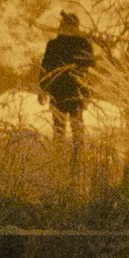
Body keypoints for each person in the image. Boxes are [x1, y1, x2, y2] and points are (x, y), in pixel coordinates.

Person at [37, 9, 101, 157]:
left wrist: (43, 89)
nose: (60, 26)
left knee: (59, 131)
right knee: (77, 131)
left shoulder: (54, 44)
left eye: (62, 23)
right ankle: (77, 163)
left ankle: (58, 162)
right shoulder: (84, 44)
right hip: (76, 94)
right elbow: (91, 70)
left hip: (58, 94)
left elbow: (45, 68)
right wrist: (88, 93)